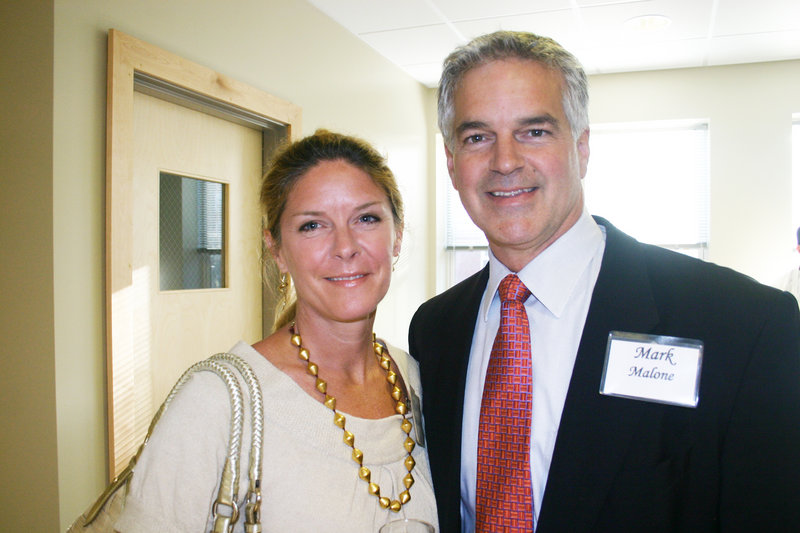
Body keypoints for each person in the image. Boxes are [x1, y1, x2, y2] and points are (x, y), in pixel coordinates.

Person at [409, 31, 800, 532]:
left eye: (534, 131)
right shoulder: (434, 330)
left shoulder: (742, 324)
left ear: (583, 146)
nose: (504, 162)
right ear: (451, 161)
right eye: (477, 137)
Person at [116, 130, 438, 532]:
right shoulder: (218, 401)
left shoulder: (416, 379)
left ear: (397, 236)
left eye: (367, 218)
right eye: (312, 226)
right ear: (278, 251)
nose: (345, 246)